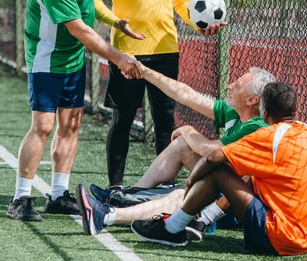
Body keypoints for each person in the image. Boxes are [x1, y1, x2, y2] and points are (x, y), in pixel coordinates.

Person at [7, 0, 141, 222]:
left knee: (71, 126)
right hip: (46, 59)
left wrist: (113, 21)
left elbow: (88, 4)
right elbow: (79, 28)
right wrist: (118, 57)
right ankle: (20, 197)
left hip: (73, 59)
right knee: (43, 127)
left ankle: (57, 194)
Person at [92, 0, 226, 190]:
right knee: (122, 119)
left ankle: (165, 186)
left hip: (166, 48)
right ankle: (115, 186)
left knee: (165, 120)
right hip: (126, 52)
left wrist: (198, 25)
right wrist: (116, 23)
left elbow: (182, 0)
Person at [76, 64, 276, 239]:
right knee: (182, 146)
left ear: (252, 100)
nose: (229, 85)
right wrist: (145, 73)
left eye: (237, 85)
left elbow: (208, 150)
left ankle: (107, 214)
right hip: (219, 183)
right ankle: (125, 196)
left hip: (230, 205)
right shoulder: (236, 111)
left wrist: (188, 130)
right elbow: (186, 94)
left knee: (182, 194)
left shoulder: (257, 127)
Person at [131, 82, 307, 255]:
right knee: (250, 172)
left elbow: (213, 157)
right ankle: (203, 220)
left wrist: (190, 181)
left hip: (279, 238)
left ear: (264, 111)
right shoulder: (306, 132)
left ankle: (171, 228)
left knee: (218, 170)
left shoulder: (269, 136)